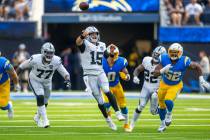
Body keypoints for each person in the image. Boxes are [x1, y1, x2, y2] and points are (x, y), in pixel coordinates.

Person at [76, 26, 125, 131]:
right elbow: (78, 42)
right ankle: (108, 120)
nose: (94, 35)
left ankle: (118, 112)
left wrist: (112, 54)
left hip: (100, 72)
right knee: (100, 101)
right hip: (90, 75)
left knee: (107, 90)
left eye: (95, 34)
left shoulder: (102, 45)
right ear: (88, 35)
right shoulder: (85, 44)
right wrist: (82, 36)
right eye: (92, 34)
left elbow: (109, 58)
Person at [154, 43, 210, 132]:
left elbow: (197, 66)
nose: (173, 54)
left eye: (175, 52)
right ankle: (162, 124)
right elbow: (155, 72)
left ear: (180, 53)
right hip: (164, 84)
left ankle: (169, 114)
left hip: (176, 85)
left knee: (168, 100)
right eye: (172, 52)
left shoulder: (184, 61)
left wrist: (201, 79)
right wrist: (162, 70)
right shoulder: (164, 58)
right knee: (161, 106)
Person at [16, 42, 71, 128]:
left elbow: (63, 72)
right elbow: (21, 66)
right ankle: (45, 120)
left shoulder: (56, 60)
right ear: (42, 52)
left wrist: (67, 79)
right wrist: (15, 78)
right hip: (35, 80)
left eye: (51, 53)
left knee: (45, 102)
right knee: (40, 97)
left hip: (47, 82)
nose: (49, 55)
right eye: (47, 52)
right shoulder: (35, 59)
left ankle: (37, 117)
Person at [129, 46, 167, 132]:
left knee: (153, 103)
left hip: (157, 88)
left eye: (159, 55)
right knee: (141, 106)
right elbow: (138, 69)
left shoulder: (164, 64)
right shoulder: (146, 60)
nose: (156, 56)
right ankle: (132, 124)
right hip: (145, 87)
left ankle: (163, 121)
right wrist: (135, 76)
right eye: (155, 54)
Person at [102, 44, 130, 132]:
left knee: (123, 106)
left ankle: (126, 124)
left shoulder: (121, 61)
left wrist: (127, 75)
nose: (115, 56)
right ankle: (109, 118)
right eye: (112, 54)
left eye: (115, 54)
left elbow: (125, 71)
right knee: (106, 104)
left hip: (117, 86)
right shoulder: (101, 62)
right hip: (106, 86)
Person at [0, 50, 20, 119]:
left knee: (3, 105)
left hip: (3, 84)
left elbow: (13, 74)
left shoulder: (3, 62)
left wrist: (16, 84)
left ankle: (9, 106)